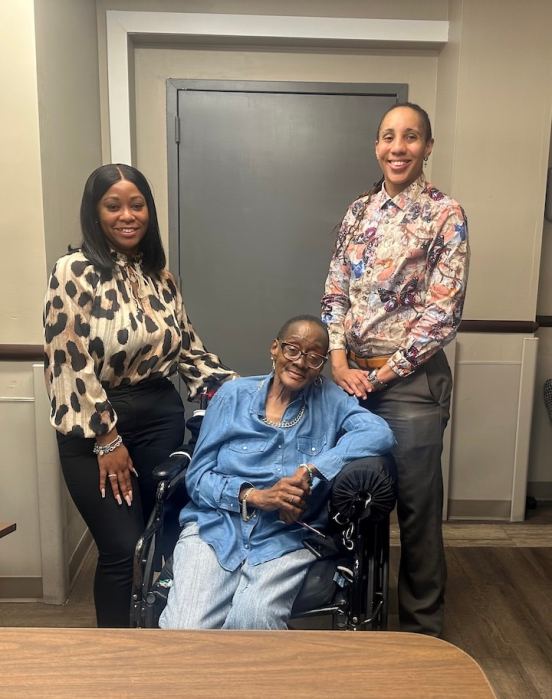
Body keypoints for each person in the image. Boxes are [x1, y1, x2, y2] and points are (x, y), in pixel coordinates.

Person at [43, 163, 235, 627]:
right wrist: (107, 440)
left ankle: (162, 642)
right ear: (95, 212)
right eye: (114, 206)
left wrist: (246, 394)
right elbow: (68, 363)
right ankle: (114, 660)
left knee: (165, 541)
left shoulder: (161, 278)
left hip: (159, 416)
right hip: (96, 429)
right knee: (120, 547)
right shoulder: (73, 272)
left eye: (137, 204)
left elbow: (189, 351)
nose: (127, 215)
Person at [322, 102, 470, 637]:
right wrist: (338, 359)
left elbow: (441, 314)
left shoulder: (444, 213)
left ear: (428, 146)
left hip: (409, 385)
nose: (397, 147)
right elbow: (335, 290)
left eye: (410, 137)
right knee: (348, 497)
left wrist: (380, 376)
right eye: (388, 137)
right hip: (348, 380)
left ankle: (422, 636)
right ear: (377, 146)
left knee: (416, 511)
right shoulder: (358, 211)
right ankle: (353, 618)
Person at [159, 314, 394, 630]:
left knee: (254, 619)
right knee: (185, 628)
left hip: (288, 534)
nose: (300, 362)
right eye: (292, 350)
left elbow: (379, 433)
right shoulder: (232, 396)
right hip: (217, 526)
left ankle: (255, 680)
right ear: (275, 349)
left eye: (313, 357)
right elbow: (198, 479)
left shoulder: (332, 401)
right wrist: (256, 496)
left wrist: (313, 469)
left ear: (322, 365)